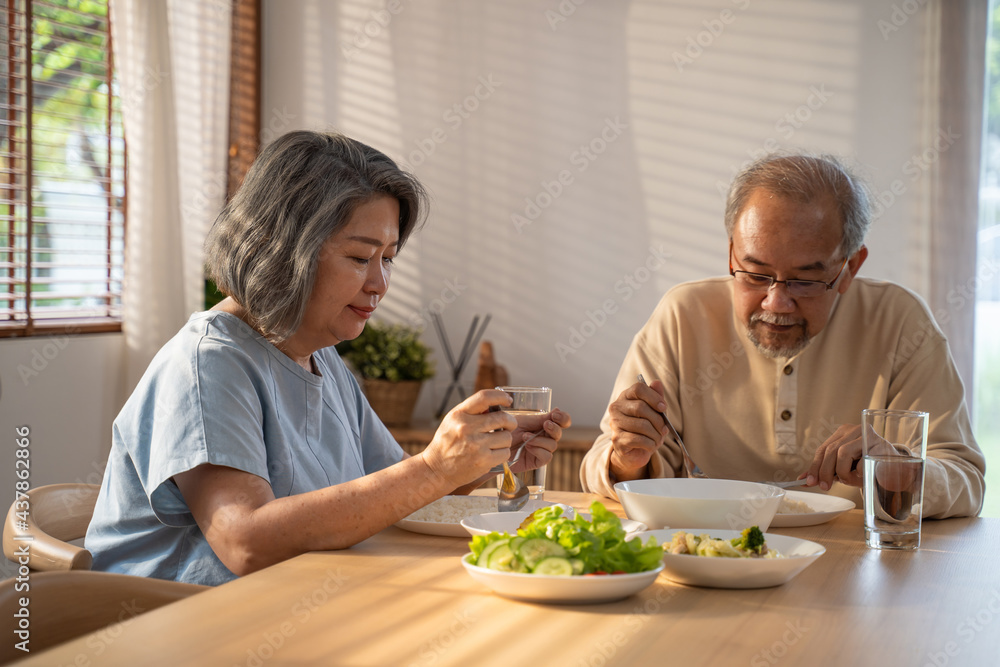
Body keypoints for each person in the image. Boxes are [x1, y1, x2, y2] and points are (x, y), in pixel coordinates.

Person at [86, 131, 571, 585]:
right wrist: (433, 468)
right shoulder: (208, 364)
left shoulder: (319, 355)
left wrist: (479, 460)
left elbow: (394, 493)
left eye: (389, 258)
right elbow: (245, 542)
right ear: (283, 250)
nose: (380, 284)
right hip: (178, 628)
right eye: (361, 258)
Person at [580, 153, 985, 518]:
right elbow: (605, 462)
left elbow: (966, 480)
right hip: (705, 554)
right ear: (730, 254)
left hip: (854, 573)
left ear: (849, 268)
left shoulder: (899, 322)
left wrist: (896, 467)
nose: (776, 303)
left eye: (805, 281)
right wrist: (628, 458)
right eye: (756, 275)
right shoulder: (683, 315)